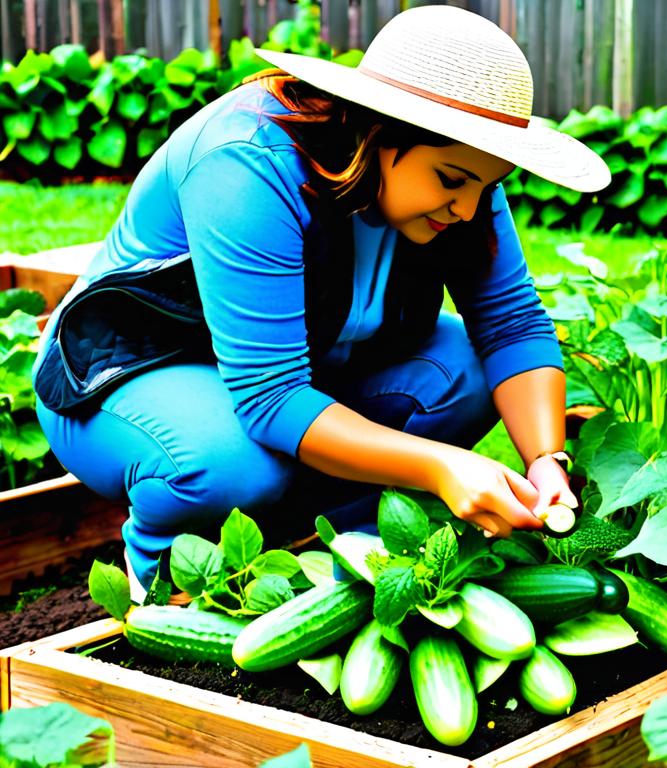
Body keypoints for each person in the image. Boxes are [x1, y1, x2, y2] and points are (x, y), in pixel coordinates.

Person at [32, 5, 610, 599]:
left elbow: (512, 323)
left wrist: (547, 459)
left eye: (486, 187)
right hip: (122, 374)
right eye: (452, 182)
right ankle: (161, 580)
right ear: (382, 133)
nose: (467, 209)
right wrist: (438, 466)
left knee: (462, 371)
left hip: (297, 372)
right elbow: (270, 396)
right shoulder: (248, 161)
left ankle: (344, 548)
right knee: (228, 464)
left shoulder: (460, 176)